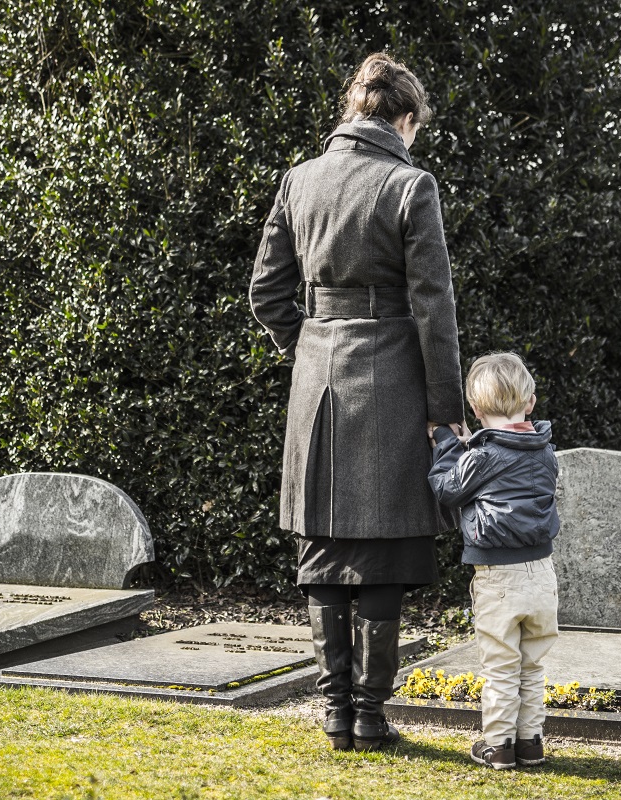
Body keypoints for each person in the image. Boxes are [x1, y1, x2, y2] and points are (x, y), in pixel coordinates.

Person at [249, 52, 465, 752]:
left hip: (318, 381)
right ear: (403, 120)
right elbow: (434, 308)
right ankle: (370, 717)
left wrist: (310, 344)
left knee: (325, 545)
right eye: (415, 129)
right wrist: (446, 409)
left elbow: (265, 294)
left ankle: (336, 715)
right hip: (394, 380)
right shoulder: (411, 184)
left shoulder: (299, 180)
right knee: (383, 553)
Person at [427, 352, 560, 770]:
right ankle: (531, 741)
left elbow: (449, 489)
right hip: (542, 574)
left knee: (501, 665)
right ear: (531, 403)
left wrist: (449, 445)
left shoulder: (481, 457)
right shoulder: (546, 452)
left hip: (498, 577)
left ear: (476, 409)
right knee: (532, 664)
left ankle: (499, 745)